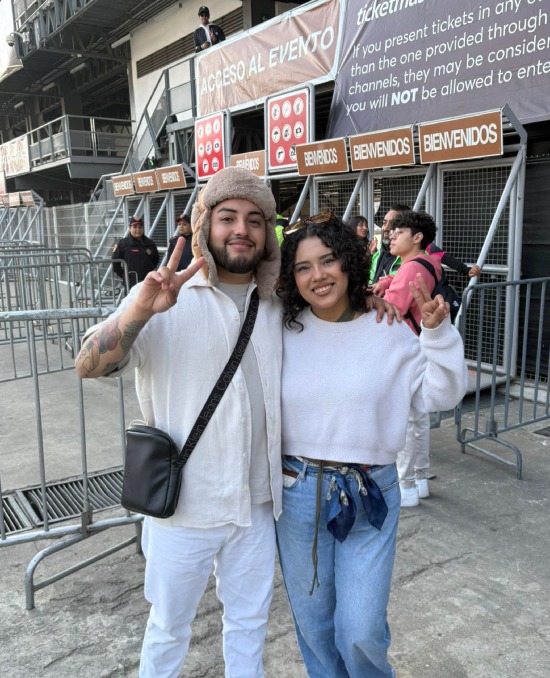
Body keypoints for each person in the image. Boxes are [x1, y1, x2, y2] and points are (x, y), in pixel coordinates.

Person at [78, 166, 283, 676]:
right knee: (169, 627)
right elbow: (88, 363)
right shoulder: (166, 296)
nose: (241, 229)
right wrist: (140, 312)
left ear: (267, 233)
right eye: (228, 216)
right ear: (204, 224)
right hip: (184, 507)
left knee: (250, 623)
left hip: (257, 503)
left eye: (255, 219)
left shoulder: (279, 301)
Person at [273, 215, 467, 676]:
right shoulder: (280, 329)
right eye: (303, 267)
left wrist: (438, 335)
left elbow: (438, 396)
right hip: (296, 490)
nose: (317, 275)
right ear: (290, 276)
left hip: (369, 495)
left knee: (359, 629)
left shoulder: (389, 328)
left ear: (350, 264)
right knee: (313, 623)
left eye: (328, 260)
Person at [371, 210, 453, 506]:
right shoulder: (427, 262)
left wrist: (374, 295)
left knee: (405, 419)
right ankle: (419, 479)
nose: (391, 235)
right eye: (392, 231)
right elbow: (412, 275)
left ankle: (405, 485)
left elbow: (390, 310)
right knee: (418, 418)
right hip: (421, 346)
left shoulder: (408, 269)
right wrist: (389, 279)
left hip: (405, 348)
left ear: (417, 238)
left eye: (399, 231)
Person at [111, 217, 158, 287]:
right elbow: (115, 262)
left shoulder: (150, 243)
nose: (138, 230)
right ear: (130, 228)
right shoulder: (123, 243)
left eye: (140, 227)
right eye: (135, 227)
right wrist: (124, 276)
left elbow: (155, 260)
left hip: (147, 283)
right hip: (130, 284)